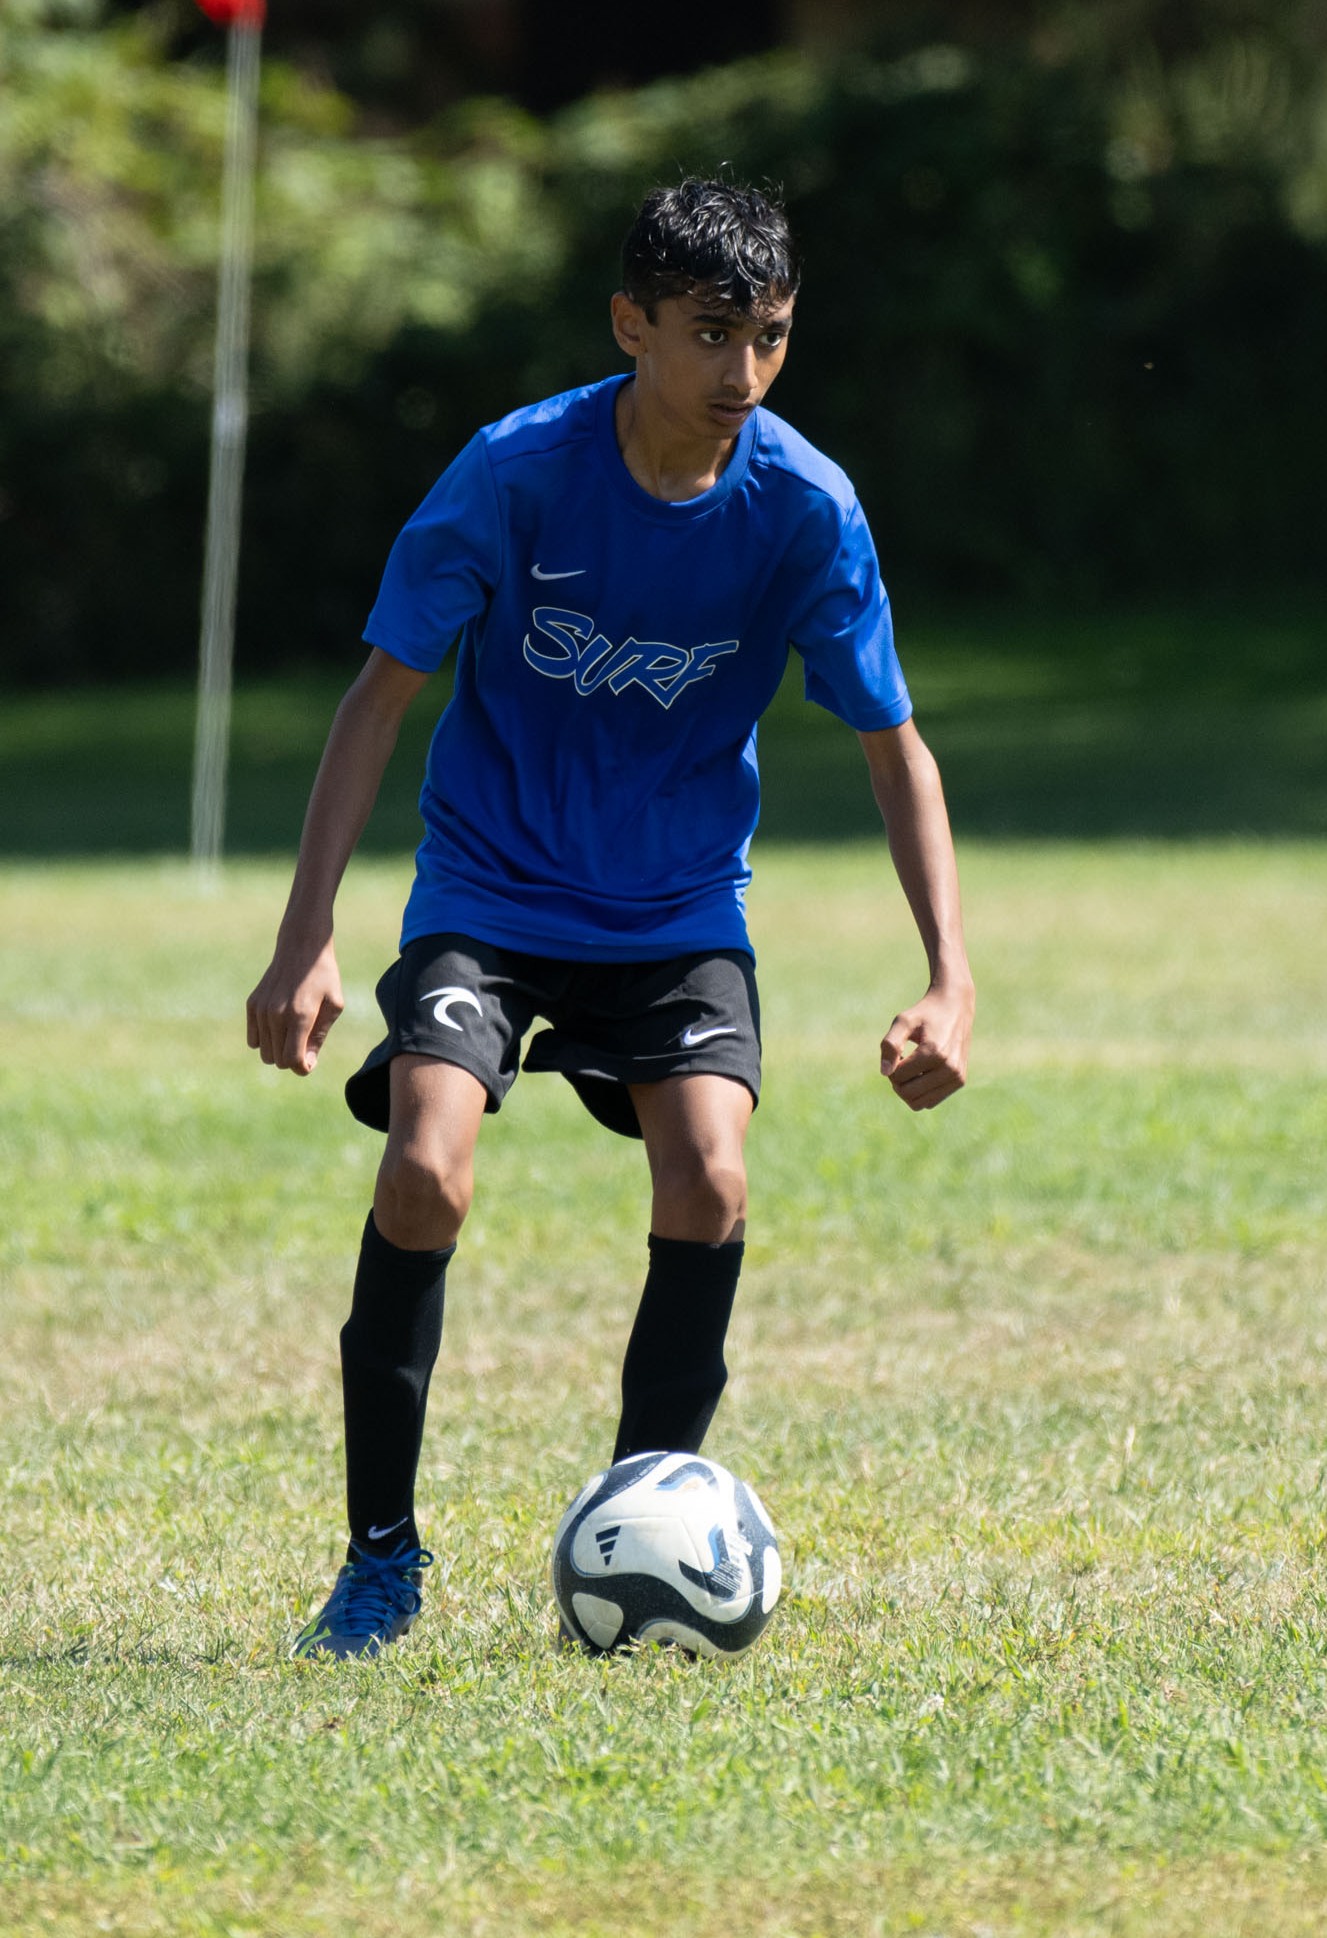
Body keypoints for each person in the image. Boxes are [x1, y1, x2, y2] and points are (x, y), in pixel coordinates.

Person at [242, 178, 975, 1657]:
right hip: (490, 889)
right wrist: (306, 932)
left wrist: (949, 977)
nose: (742, 372)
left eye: (770, 336)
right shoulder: (515, 475)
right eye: (710, 334)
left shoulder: (806, 509)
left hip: (677, 909)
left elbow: (894, 746)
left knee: (711, 1177)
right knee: (424, 1173)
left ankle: (645, 1533)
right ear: (630, 324)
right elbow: (378, 699)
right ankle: (379, 1560)